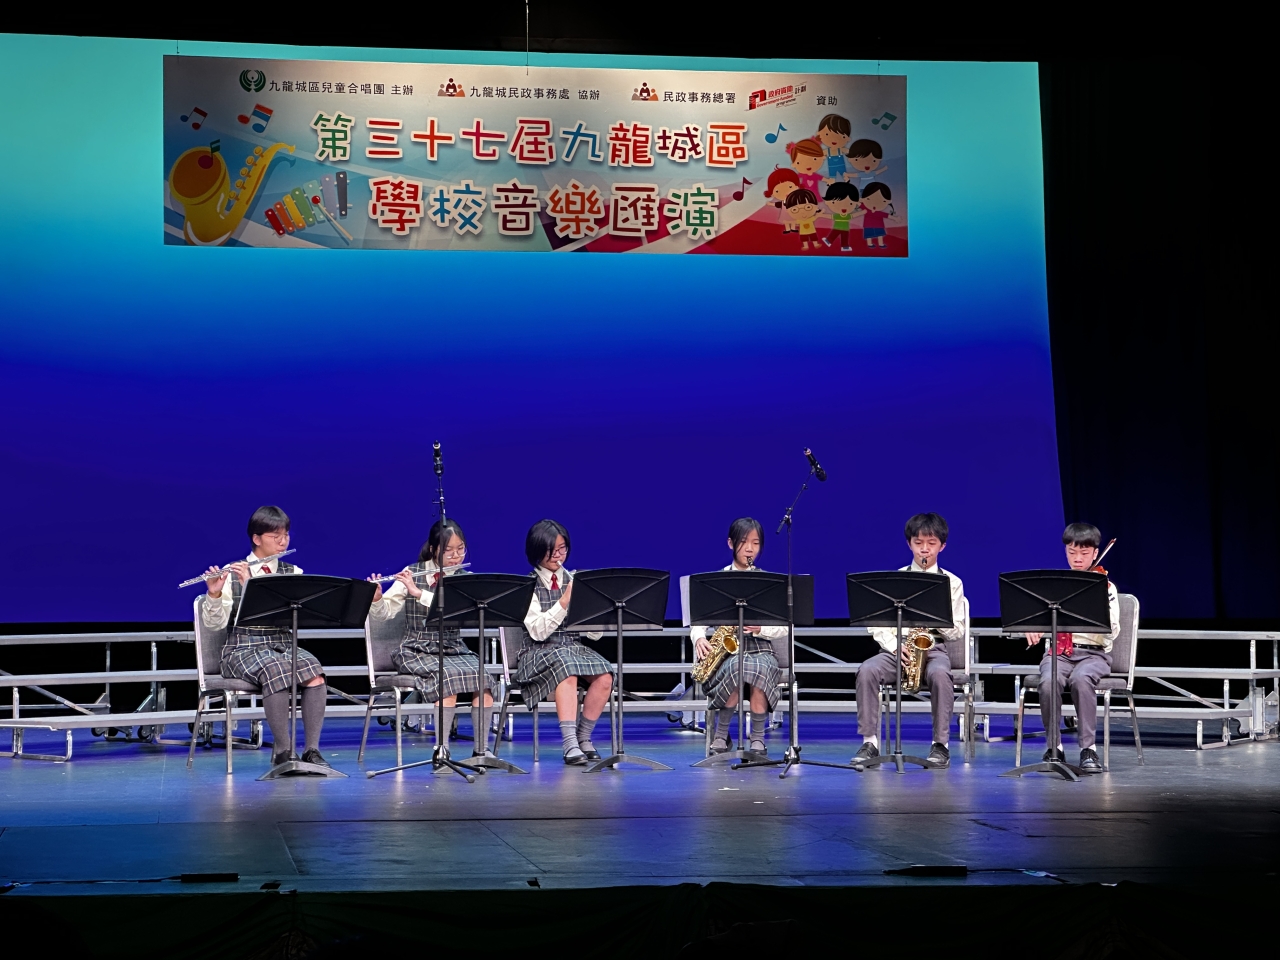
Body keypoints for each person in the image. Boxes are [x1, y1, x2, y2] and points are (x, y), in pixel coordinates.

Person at [201, 505, 329, 768]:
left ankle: (312, 750)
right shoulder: (233, 572)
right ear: (257, 538)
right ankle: (283, 750)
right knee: (276, 670)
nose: (283, 541)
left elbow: (294, 617)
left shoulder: (293, 573)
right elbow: (215, 624)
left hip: (281, 645)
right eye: (275, 536)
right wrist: (213, 594)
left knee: (314, 670)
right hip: (242, 648)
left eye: (286, 535)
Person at [368, 518, 494, 754]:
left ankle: (481, 751)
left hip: (453, 648)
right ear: (435, 549)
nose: (456, 556)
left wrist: (419, 594)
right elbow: (385, 614)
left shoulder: (463, 577)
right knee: (447, 678)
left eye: (461, 549)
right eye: (449, 551)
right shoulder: (411, 574)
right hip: (416, 648)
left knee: (483, 678)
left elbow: (456, 610)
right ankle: (441, 749)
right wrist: (376, 599)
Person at [853, 513, 966, 769]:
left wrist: (937, 616)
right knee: (867, 670)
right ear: (909, 544)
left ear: (942, 546)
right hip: (899, 647)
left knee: (940, 675)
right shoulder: (897, 580)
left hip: (934, 647)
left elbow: (958, 630)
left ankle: (940, 745)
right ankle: (870, 742)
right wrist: (895, 646)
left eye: (931, 543)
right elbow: (877, 624)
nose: (924, 549)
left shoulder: (952, 583)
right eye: (918, 542)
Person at [515, 520, 614, 765]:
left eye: (562, 549)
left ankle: (583, 737)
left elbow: (594, 636)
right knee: (566, 669)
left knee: (605, 676)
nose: (558, 556)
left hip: (571, 648)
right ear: (537, 551)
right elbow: (538, 632)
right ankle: (569, 744)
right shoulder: (528, 585)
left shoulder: (573, 580)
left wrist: (594, 608)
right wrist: (565, 600)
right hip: (537, 651)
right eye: (552, 551)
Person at [1025, 522, 1120, 772]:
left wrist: (1094, 610)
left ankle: (1089, 749)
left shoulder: (1105, 587)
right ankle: (1054, 747)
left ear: (1095, 552)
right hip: (1060, 652)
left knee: (1081, 679)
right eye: (1072, 552)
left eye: (1084, 553)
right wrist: (1032, 626)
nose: (1077, 558)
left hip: (1093, 655)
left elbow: (1113, 631)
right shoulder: (1057, 587)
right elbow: (1038, 617)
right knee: (1049, 680)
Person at [690, 518, 787, 756]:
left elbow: (784, 628)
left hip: (761, 648)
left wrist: (760, 629)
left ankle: (758, 738)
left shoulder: (768, 582)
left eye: (756, 543)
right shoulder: (716, 581)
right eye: (744, 542)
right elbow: (699, 621)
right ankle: (721, 735)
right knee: (736, 666)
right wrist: (699, 638)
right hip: (728, 652)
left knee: (758, 668)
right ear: (731, 543)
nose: (750, 549)